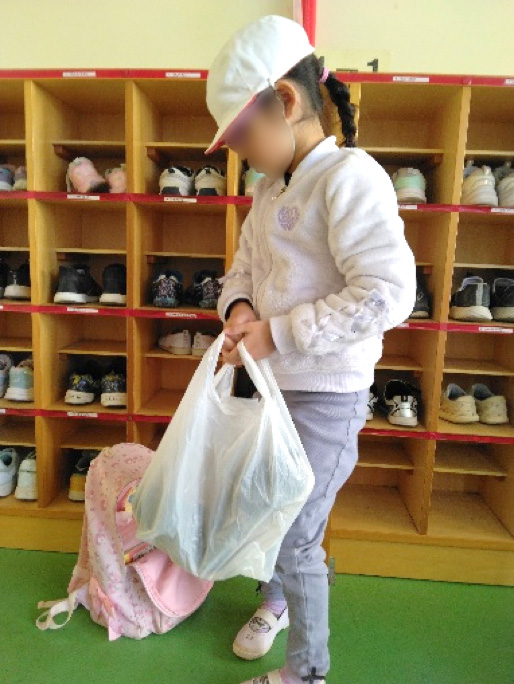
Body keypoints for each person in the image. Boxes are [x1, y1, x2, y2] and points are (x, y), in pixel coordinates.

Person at [205, 15, 416, 684]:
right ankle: (276, 601)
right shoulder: (268, 191)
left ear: (286, 102)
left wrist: (278, 332)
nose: (242, 154)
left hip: (327, 398)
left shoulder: (349, 178)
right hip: (271, 387)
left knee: (298, 533)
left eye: (242, 136)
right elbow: (241, 271)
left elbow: (387, 293)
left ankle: (307, 672)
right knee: (267, 507)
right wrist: (240, 310)